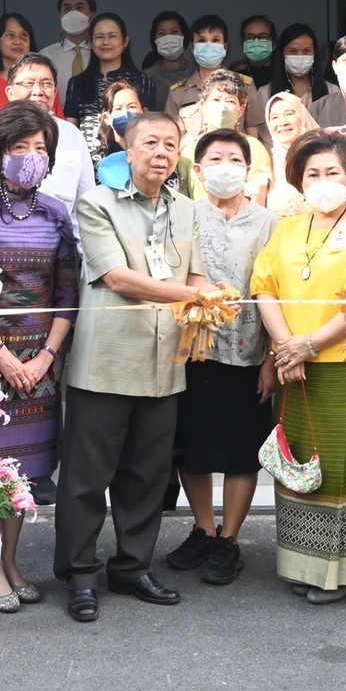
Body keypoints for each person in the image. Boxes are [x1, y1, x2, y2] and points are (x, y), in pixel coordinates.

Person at [58, 112, 209, 622]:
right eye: (150, 143)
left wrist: (208, 295)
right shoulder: (97, 202)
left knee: (147, 475)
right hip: (106, 361)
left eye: (170, 144)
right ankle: (80, 574)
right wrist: (192, 294)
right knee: (86, 478)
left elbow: (196, 275)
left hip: (164, 362)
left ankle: (131, 567)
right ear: (128, 148)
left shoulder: (187, 208)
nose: (161, 153)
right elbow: (117, 278)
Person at [251, 135, 346, 604]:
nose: (322, 181)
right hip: (293, 363)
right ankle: (302, 563)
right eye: (313, 173)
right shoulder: (287, 229)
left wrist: (308, 345)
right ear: (299, 180)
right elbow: (264, 287)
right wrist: (286, 348)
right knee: (299, 462)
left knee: (344, 467)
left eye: (333, 172)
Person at [0, 101, 80, 612]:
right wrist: (1, 353)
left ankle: (10, 560)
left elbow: (67, 292)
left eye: (39, 148)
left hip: (40, 363)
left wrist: (46, 355)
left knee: (23, 471)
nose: (30, 156)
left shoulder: (56, 213)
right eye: (19, 146)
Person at [163, 127, 277, 587]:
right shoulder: (182, 214)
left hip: (249, 352)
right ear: (197, 168)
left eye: (234, 159)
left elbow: (277, 291)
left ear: (248, 170)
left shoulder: (269, 223)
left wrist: (271, 358)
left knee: (240, 451)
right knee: (193, 448)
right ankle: (204, 529)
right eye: (215, 159)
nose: (225, 167)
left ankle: (229, 538)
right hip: (192, 351)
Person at [0, 54, 94, 216]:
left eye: (46, 84)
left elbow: (86, 203)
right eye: (28, 83)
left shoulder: (73, 136)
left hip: (58, 231)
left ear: (55, 92)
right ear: (10, 92)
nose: (38, 91)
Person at [180, 70, 274, 204]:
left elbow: (257, 204)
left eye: (230, 101)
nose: (223, 107)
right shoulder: (189, 152)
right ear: (202, 106)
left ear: (241, 109)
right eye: (216, 100)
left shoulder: (254, 148)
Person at [64, 11, 144, 128]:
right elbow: (69, 128)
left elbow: (148, 124)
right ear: (91, 43)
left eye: (112, 36)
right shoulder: (77, 83)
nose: (105, 42)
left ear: (125, 41)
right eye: (99, 37)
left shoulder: (142, 80)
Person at [165, 14, 249, 123]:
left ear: (225, 46)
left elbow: (253, 129)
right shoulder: (178, 93)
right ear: (192, 47)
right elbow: (171, 131)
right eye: (201, 40)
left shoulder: (245, 86)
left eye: (215, 40)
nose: (209, 45)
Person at [264, 22, 333, 129]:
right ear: (282, 54)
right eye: (292, 51)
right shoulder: (265, 93)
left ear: (314, 53)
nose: (300, 56)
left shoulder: (332, 90)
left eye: (307, 51)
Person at [260, 91, 314, 217]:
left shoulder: (323, 155)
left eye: (289, 114)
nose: (282, 122)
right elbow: (256, 212)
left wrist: (309, 213)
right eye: (274, 117)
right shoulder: (266, 159)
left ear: (302, 116)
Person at [40, 0, 97, 102]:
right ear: (60, 16)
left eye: (79, 7)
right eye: (67, 8)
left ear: (91, 15)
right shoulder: (46, 56)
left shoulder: (101, 53)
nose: (73, 13)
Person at [90, 77, 148, 183]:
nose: (125, 113)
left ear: (144, 113)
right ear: (106, 118)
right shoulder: (96, 159)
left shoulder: (155, 154)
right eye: (118, 108)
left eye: (132, 107)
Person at [141, 10, 191, 106]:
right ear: (155, 39)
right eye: (162, 33)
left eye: (174, 32)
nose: (168, 38)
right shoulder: (147, 77)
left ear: (184, 36)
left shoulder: (196, 72)